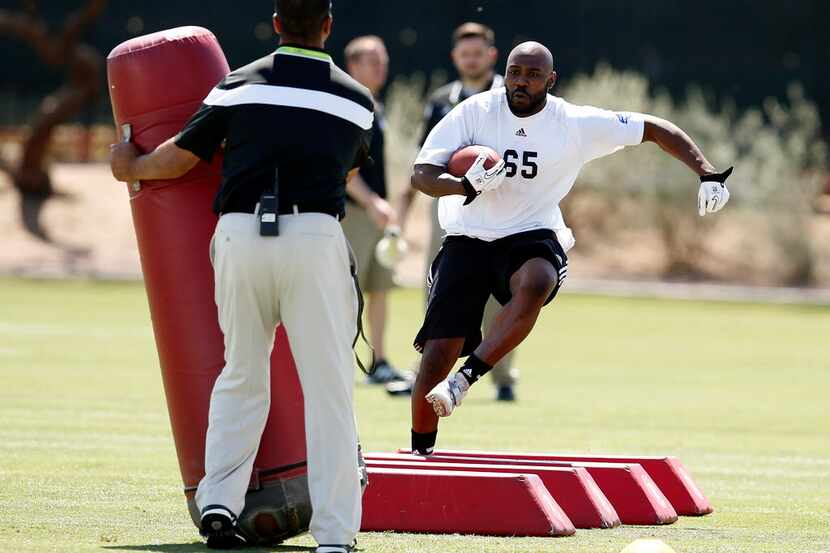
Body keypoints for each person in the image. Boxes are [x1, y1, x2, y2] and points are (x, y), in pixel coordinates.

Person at [110, 2, 371, 552]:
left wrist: (128, 166)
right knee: (328, 391)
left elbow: (180, 158)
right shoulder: (357, 98)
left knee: (241, 373)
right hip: (314, 236)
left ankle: (219, 506)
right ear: (328, 26)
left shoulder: (237, 83)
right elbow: (347, 168)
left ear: (276, 24)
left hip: (240, 235)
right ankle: (334, 537)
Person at [408, 41, 733, 456]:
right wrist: (463, 185)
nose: (520, 82)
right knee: (436, 356)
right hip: (469, 235)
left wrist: (706, 172)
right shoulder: (475, 111)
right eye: (514, 72)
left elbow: (653, 128)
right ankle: (421, 454)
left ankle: (466, 379)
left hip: (530, 231)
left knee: (539, 278)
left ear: (551, 80)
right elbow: (423, 174)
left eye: (532, 74)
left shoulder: (572, 122)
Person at [398, 22, 521, 401]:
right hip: (452, 205)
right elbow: (426, 158)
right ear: (455, 57)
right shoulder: (440, 100)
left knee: (502, 291)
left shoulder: (513, 94)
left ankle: (503, 377)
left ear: (492, 55)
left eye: (477, 51)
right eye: (464, 52)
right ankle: (429, 370)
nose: (471, 58)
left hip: (505, 206)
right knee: (440, 284)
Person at [342, 35, 408, 384]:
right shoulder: (348, 105)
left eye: (382, 59)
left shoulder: (375, 105)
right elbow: (343, 171)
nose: (380, 66)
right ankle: (338, 360)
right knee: (344, 293)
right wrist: (371, 203)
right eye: (371, 61)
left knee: (379, 288)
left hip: (376, 213)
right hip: (353, 213)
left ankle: (379, 361)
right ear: (352, 66)